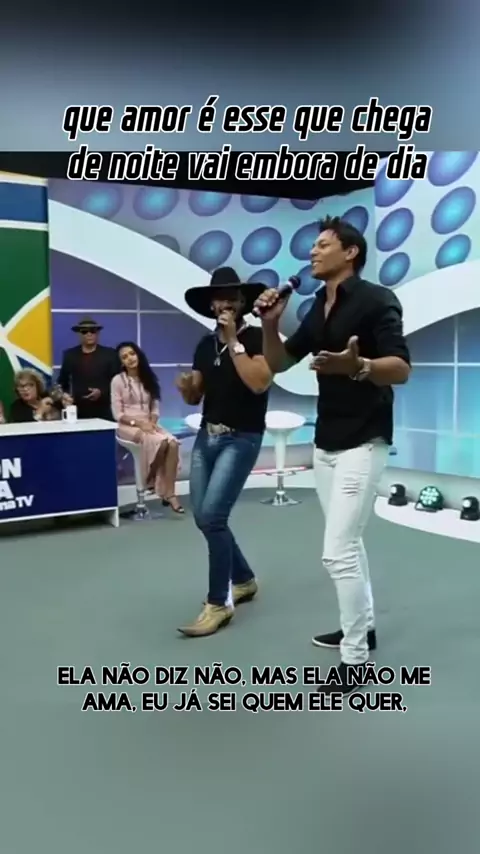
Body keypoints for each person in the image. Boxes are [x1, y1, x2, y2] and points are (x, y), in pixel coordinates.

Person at [254, 216, 411, 694]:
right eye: (313, 246)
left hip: (365, 439)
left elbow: (401, 368)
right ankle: (363, 626)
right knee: (350, 544)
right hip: (327, 441)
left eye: (323, 245)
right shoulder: (316, 308)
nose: (313, 252)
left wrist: (358, 366)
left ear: (351, 253)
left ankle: (356, 658)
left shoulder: (377, 299)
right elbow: (279, 363)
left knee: (337, 552)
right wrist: (270, 324)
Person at [176, 267, 272, 637]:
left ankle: (218, 603)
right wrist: (187, 387)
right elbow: (196, 395)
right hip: (208, 436)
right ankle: (243, 579)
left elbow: (259, 382)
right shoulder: (204, 345)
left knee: (214, 517)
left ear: (243, 302)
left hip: (242, 437)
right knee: (205, 517)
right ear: (211, 304)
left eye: (232, 297)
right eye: (219, 298)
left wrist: (233, 340)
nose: (225, 303)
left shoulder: (258, 338)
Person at [111, 342, 184, 513]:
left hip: (149, 423)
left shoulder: (148, 377)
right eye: (124, 357)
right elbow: (117, 414)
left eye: (132, 354)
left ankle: (170, 492)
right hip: (127, 425)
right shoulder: (117, 381)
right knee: (162, 443)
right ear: (121, 362)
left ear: (138, 354)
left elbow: (155, 407)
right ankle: (151, 480)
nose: (130, 358)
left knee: (173, 443)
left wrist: (152, 421)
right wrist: (139, 424)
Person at [57, 317, 119, 420]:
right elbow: (63, 381)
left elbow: (117, 381)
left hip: (104, 409)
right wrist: (65, 396)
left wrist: (101, 392)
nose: (89, 334)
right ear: (79, 334)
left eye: (92, 331)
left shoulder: (110, 354)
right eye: (84, 332)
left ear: (97, 333)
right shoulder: (70, 355)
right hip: (78, 410)